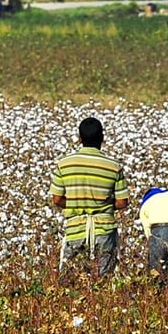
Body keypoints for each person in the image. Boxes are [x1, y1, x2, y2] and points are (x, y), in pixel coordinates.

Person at [49, 116, 128, 277]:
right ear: (102, 138)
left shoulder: (64, 164)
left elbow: (57, 199)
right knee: (105, 278)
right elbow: (122, 202)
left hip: (75, 229)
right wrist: (102, 205)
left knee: (69, 279)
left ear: (79, 138)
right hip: (104, 231)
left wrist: (76, 204)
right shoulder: (114, 166)